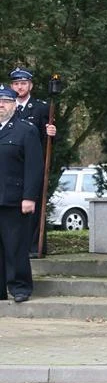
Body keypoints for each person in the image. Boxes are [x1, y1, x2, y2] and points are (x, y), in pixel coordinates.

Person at [0, 83, 43, 303]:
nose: (1, 106)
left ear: (14, 105)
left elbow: (34, 167)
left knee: (15, 245)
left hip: (14, 199)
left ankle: (20, 286)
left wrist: (29, 197)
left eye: (6, 102)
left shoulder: (26, 130)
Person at [9, 67, 57, 258]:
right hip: (12, 164)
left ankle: (35, 246)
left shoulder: (41, 107)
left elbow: (51, 138)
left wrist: (53, 133)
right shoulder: (7, 105)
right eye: (16, 84)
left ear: (30, 85)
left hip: (32, 163)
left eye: (23, 83)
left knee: (34, 206)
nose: (19, 87)